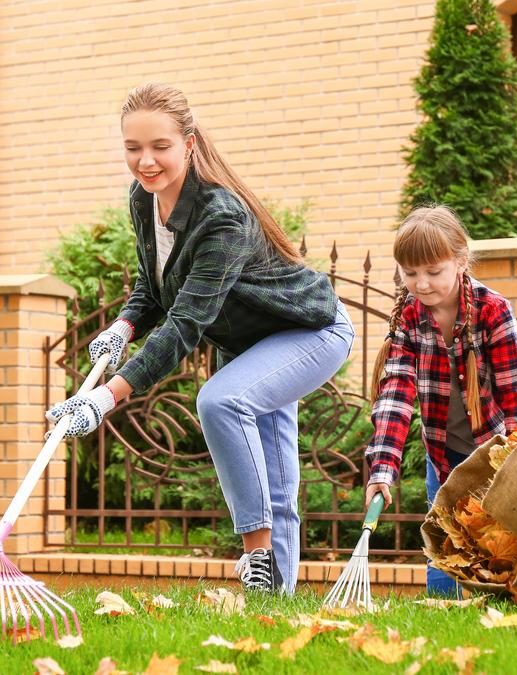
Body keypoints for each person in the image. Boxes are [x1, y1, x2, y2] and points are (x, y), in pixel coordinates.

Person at [45, 83, 354, 594]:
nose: (146, 162)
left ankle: (256, 556)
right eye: (132, 148)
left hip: (309, 332)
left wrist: (104, 398)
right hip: (251, 345)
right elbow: (156, 283)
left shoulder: (222, 216)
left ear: (189, 143)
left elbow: (186, 323)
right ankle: (276, 605)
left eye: (159, 147)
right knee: (276, 484)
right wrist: (122, 327)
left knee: (222, 400)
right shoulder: (144, 201)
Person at [364, 205, 517, 596]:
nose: (421, 284)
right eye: (410, 273)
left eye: (432, 271)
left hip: (496, 452)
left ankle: (505, 606)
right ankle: (442, 615)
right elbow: (396, 395)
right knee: (444, 541)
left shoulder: (493, 312)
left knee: (497, 540)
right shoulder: (409, 316)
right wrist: (382, 468)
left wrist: (512, 467)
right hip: (442, 453)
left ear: (460, 261)